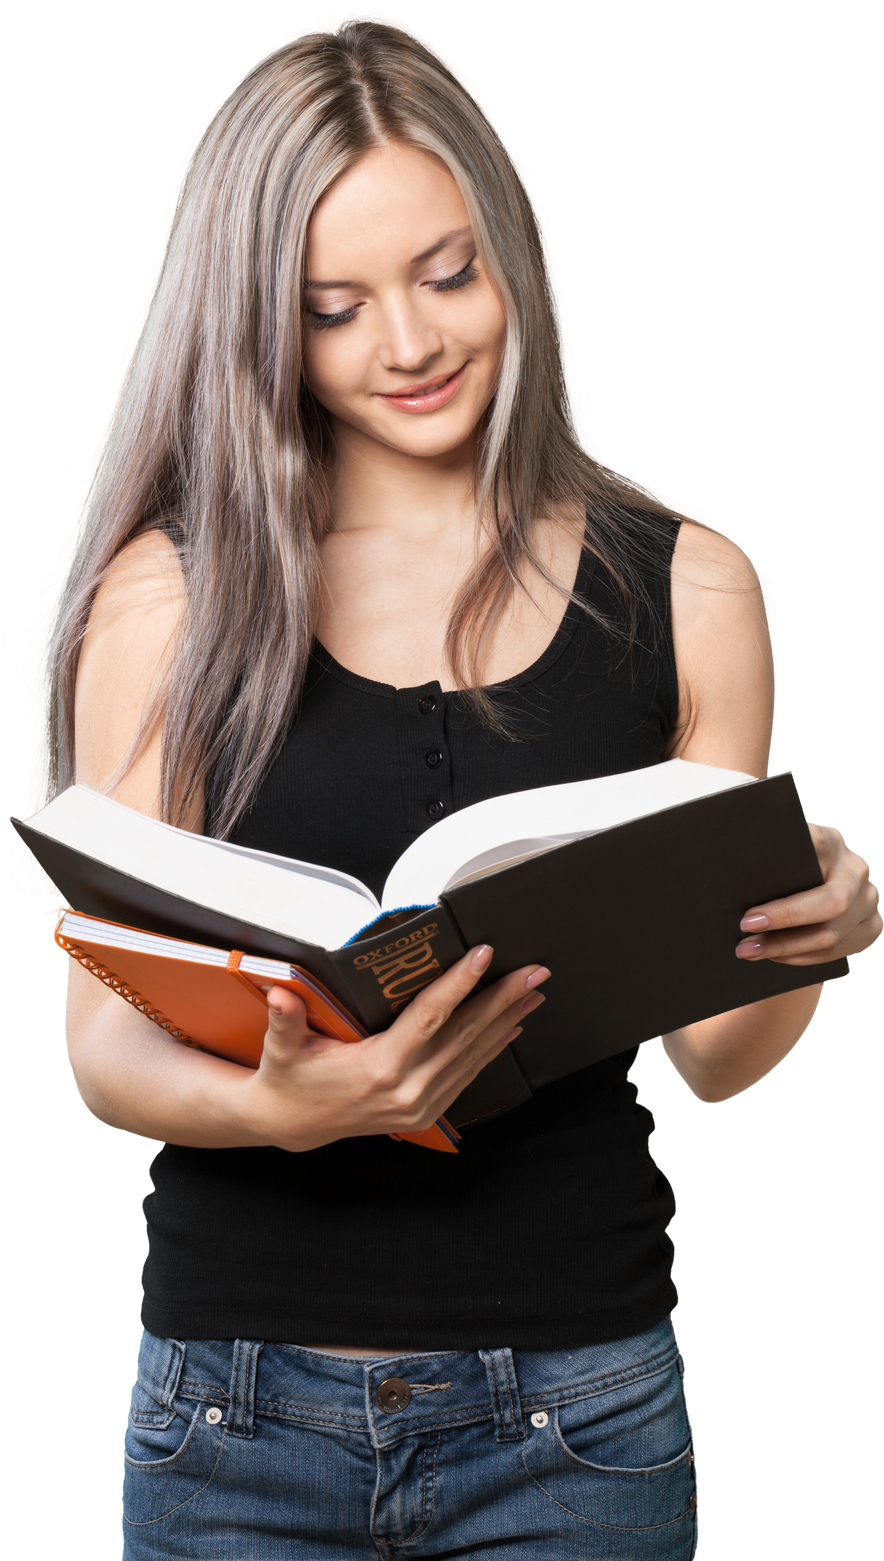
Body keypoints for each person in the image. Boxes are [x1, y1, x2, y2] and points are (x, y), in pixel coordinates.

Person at [51, 18, 879, 1561]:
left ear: (514, 254)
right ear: (260, 325)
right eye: (333, 307)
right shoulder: (173, 599)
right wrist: (290, 1109)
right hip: (231, 1415)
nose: (411, 346)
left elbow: (720, 1062)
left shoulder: (687, 585)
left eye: (448, 273)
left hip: (578, 1408)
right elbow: (106, 1042)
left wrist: (806, 939)